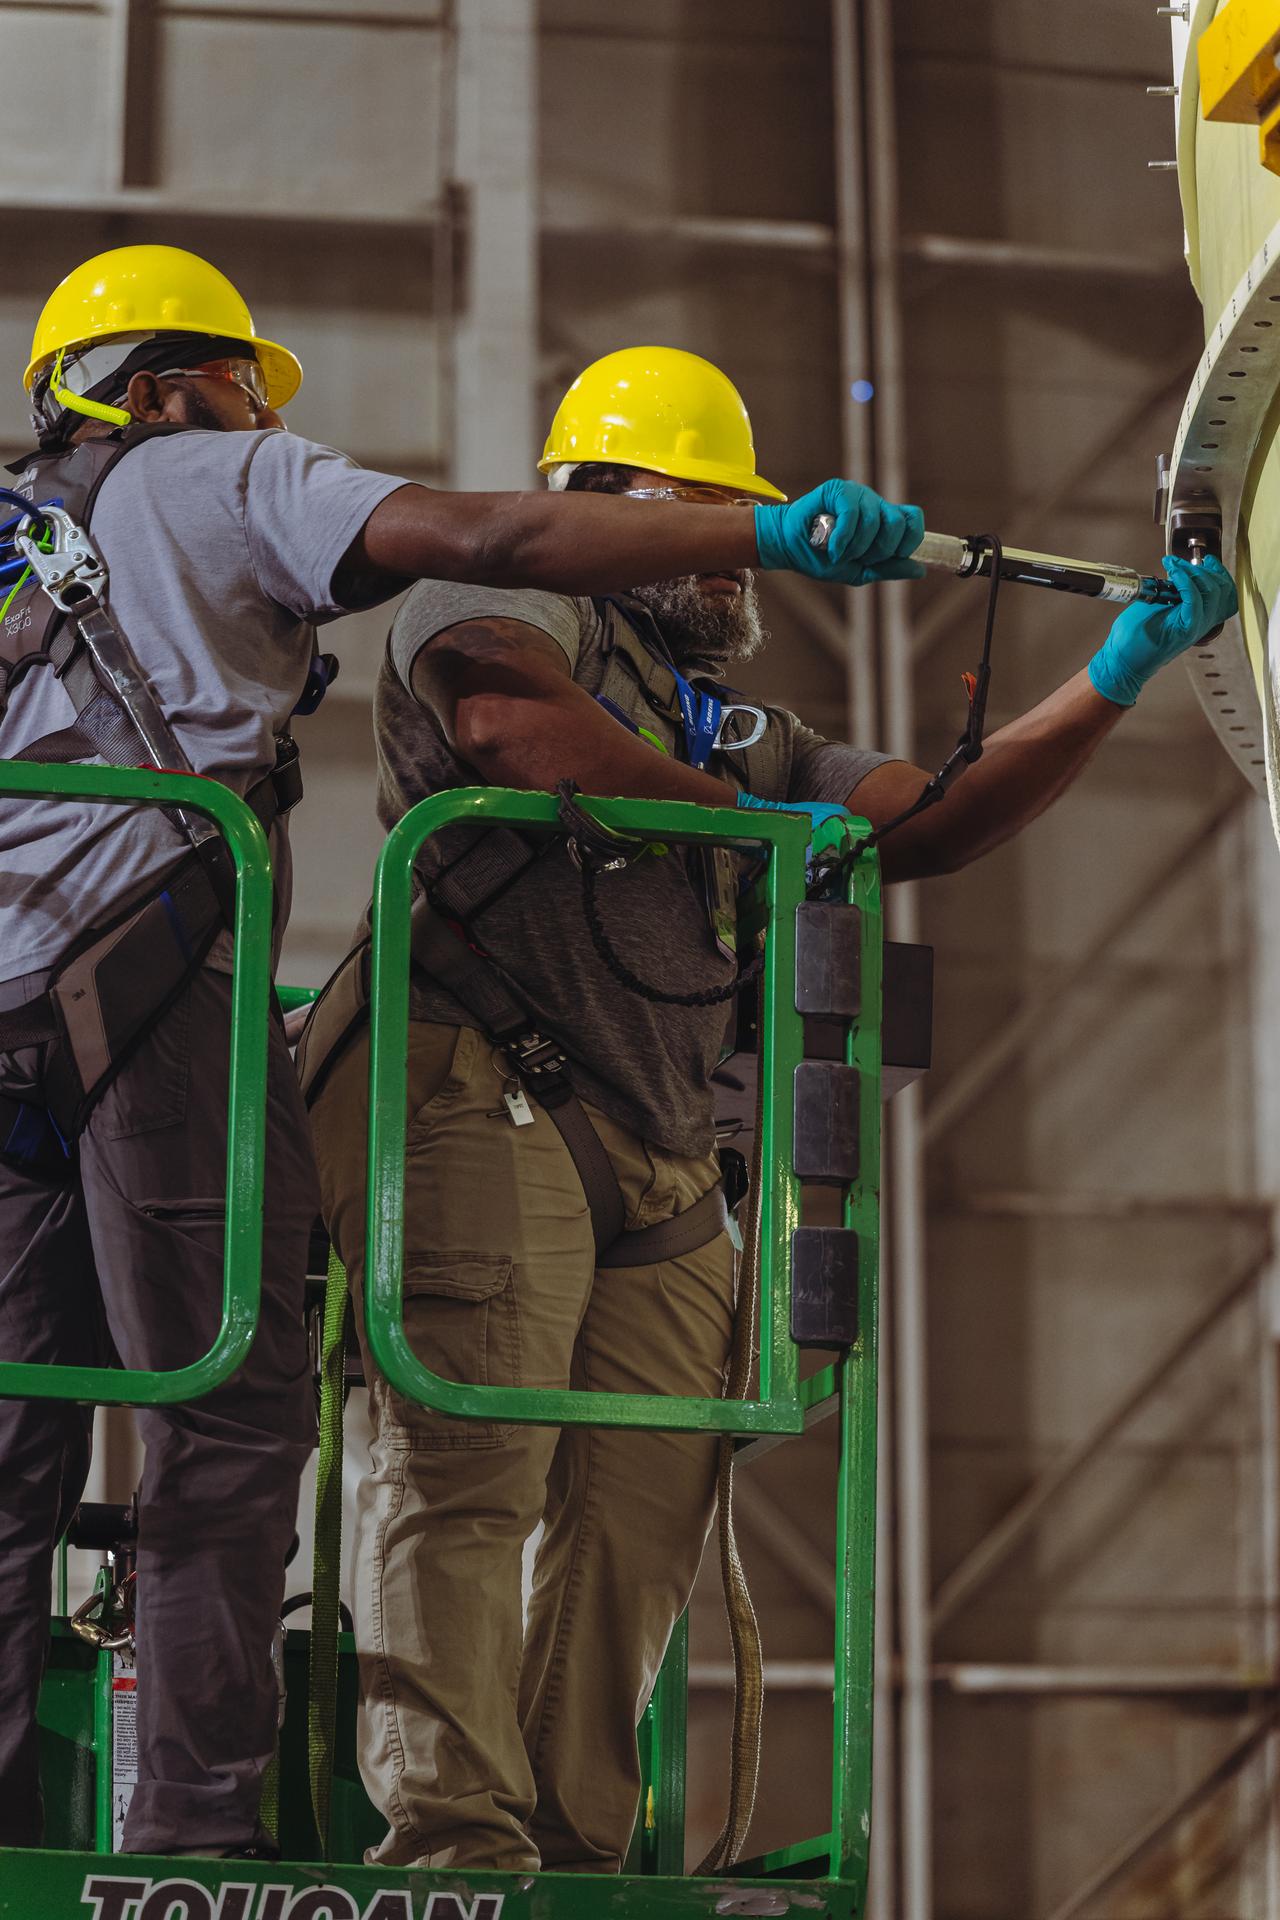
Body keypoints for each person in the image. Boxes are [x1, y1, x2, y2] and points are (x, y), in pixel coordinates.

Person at [0, 256, 927, 1859]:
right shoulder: (216, 477)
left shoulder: (23, 538)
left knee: (19, 1430)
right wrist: (770, 534)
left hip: (12, 1013)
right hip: (152, 994)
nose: (262, 419)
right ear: (161, 386)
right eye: (239, 384)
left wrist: (1108, 683)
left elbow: (904, 811)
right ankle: (199, 1834)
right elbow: (488, 549)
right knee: (228, 1412)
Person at [301, 344, 1238, 1875]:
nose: (742, 547)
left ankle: (573, 1847)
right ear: (606, 498)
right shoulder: (507, 605)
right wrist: (751, 829)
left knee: (650, 1505)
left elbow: (924, 824)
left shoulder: (727, 720)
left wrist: (1108, 678)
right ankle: (460, 1853)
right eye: (716, 506)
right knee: (470, 1473)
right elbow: (505, 731)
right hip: (477, 1086)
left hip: (664, 1161)